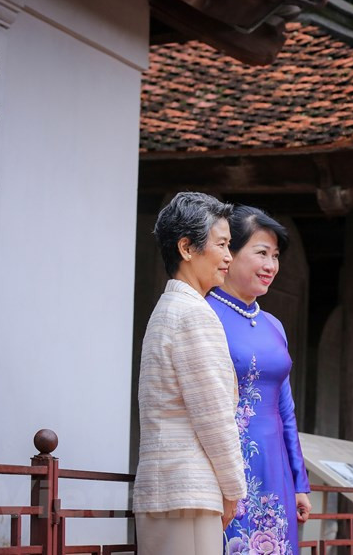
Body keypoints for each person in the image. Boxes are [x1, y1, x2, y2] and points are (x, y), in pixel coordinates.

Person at [134, 192, 247, 555]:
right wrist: (234, 490)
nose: (229, 257)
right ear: (187, 247)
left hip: (162, 490)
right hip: (190, 495)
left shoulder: (167, 309)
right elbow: (213, 416)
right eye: (222, 244)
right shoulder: (195, 314)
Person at [205, 206, 311, 555]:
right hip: (227, 463)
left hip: (275, 465)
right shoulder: (204, 314)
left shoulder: (273, 326)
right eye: (261, 253)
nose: (271, 266)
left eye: (276, 256)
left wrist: (299, 482)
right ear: (229, 253)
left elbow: (286, 409)